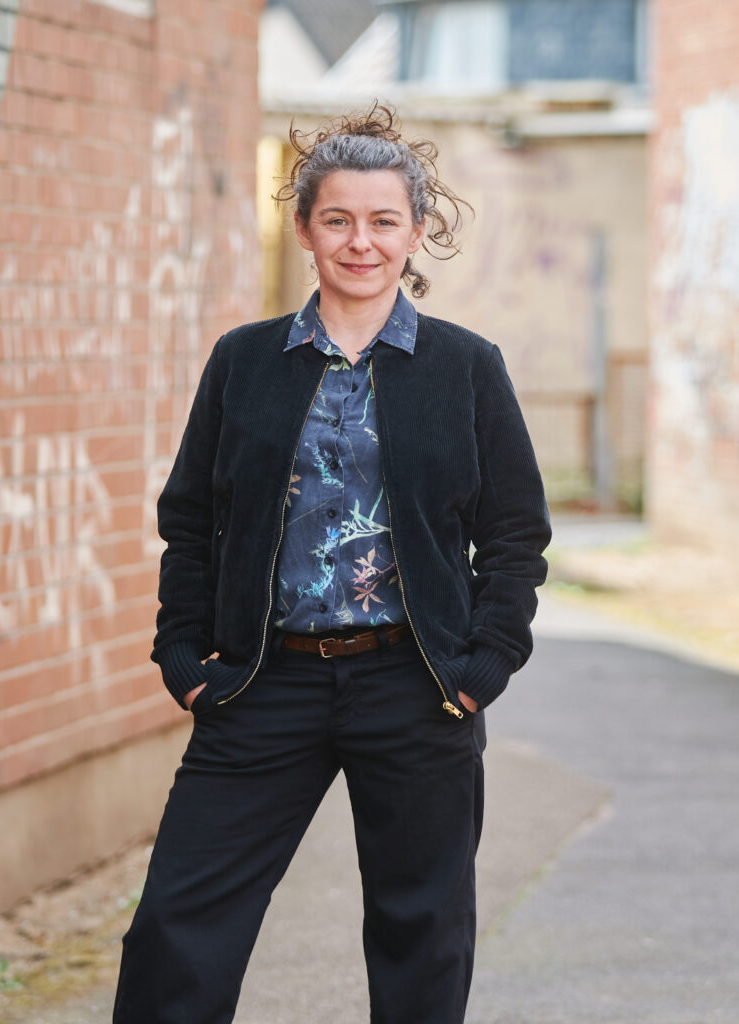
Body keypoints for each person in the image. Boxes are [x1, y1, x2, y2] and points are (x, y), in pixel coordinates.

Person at [113, 103, 551, 1024]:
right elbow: (192, 516)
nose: (362, 242)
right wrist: (184, 655)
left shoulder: (466, 367)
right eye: (339, 219)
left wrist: (486, 662)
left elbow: (515, 531)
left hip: (418, 683)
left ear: (416, 231)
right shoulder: (245, 361)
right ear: (306, 227)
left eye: (384, 220)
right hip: (261, 683)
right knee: (176, 928)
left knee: (420, 931)